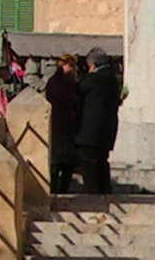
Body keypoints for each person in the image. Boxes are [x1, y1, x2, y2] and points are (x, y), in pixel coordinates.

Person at [78, 47, 124, 193]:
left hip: (89, 132)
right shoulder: (113, 80)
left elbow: (77, 90)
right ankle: (105, 193)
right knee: (102, 163)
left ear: (92, 65)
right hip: (108, 129)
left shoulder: (93, 79)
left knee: (90, 166)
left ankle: (93, 197)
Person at [43, 52, 86, 196]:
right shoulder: (62, 82)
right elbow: (69, 99)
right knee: (59, 162)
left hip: (65, 125)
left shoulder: (59, 82)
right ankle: (57, 189)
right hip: (61, 125)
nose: (73, 69)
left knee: (65, 163)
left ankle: (60, 189)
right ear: (65, 65)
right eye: (71, 66)